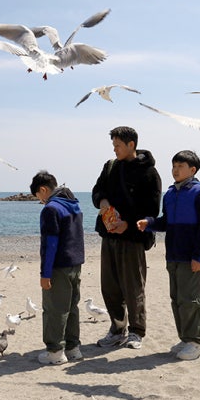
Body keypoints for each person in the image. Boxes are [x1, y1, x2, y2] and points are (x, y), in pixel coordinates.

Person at [137, 150, 200, 360]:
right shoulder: (170, 194)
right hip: (173, 255)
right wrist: (149, 223)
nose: (175, 170)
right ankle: (186, 338)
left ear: (193, 170)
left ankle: (197, 342)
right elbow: (166, 222)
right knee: (177, 300)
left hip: (192, 257)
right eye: (173, 166)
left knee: (191, 300)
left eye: (180, 166)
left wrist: (199, 257)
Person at [92, 126, 162, 350]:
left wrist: (128, 224)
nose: (114, 149)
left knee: (133, 287)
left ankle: (136, 332)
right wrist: (102, 202)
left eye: (118, 145)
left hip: (133, 238)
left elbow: (152, 210)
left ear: (131, 144)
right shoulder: (110, 166)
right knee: (109, 287)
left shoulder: (149, 173)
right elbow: (97, 190)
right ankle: (117, 329)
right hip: (108, 235)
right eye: (113, 145)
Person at [30, 170, 85, 365]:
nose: (40, 200)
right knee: (72, 307)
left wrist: (45, 274)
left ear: (43, 190)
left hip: (59, 266)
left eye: (38, 196)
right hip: (75, 264)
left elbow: (50, 244)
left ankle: (55, 351)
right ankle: (73, 348)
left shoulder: (51, 209)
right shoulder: (74, 204)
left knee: (54, 309)